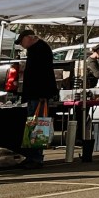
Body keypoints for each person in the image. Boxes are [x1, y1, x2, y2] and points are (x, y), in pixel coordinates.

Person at [17, 30, 57, 170]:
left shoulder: (40, 49)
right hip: (35, 93)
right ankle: (31, 156)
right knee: (34, 124)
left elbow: (42, 74)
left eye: (22, 41)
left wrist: (42, 94)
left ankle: (36, 157)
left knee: (38, 125)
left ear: (29, 38)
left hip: (38, 94)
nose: (22, 45)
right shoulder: (36, 49)